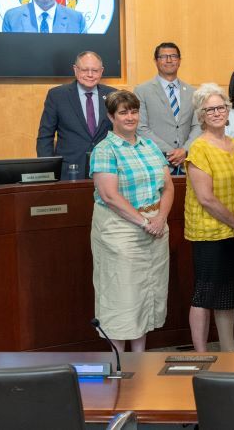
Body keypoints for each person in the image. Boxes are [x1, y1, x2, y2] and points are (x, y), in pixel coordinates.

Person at [89, 90, 174, 353]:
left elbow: (168, 187)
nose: (130, 117)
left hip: (155, 228)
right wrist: (144, 222)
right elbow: (109, 196)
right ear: (112, 116)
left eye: (134, 111)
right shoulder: (104, 149)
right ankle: (120, 365)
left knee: (146, 296)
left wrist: (159, 218)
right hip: (121, 230)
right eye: (124, 112)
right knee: (122, 299)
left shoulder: (148, 145)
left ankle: (140, 362)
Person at [185, 84, 234, 352]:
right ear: (201, 115)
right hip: (209, 232)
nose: (217, 112)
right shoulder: (198, 148)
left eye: (221, 107)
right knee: (205, 294)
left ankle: (228, 350)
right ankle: (200, 354)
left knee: (227, 295)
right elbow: (206, 198)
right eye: (210, 109)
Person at [36, 51, 116, 179]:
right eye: (85, 70)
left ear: (101, 71)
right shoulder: (57, 95)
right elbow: (45, 136)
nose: (90, 75)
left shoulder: (113, 95)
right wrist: (48, 170)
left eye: (95, 70)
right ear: (75, 70)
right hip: (69, 172)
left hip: (107, 170)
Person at [134, 42, 201, 175]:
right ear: (155, 61)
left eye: (173, 56)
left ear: (179, 61)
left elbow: (198, 126)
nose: (169, 60)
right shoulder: (141, 91)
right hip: (156, 164)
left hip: (187, 164)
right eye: (163, 57)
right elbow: (140, 127)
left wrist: (185, 150)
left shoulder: (193, 92)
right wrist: (171, 152)